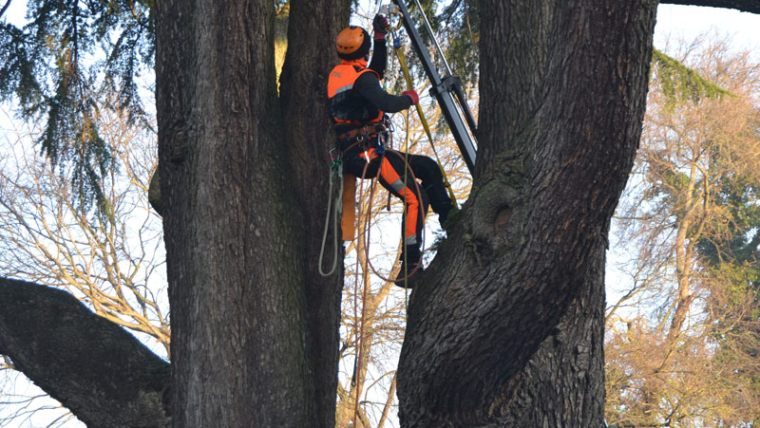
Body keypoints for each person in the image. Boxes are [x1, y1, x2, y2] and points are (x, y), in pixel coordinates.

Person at [327, 15, 453, 287]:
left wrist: (380, 38)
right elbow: (385, 100)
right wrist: (409, 99)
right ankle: (408, 267)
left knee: (428, 167)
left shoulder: (342, 75)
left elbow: (375, 74)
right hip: (368, 154)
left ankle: (450, 221)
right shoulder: (361, 80)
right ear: (364, 51)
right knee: (415, 198)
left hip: (362, 151)